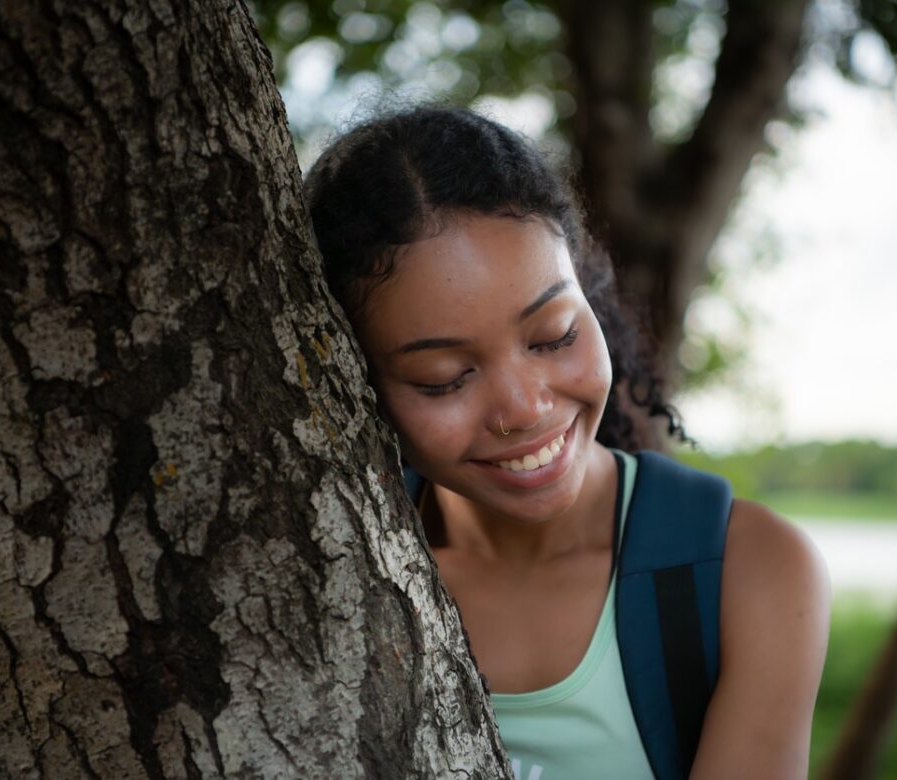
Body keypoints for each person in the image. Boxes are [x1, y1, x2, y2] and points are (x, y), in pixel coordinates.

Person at [304, 106, 830, 779]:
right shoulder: (334, 571)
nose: (524, 409)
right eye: (444, 379)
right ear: (358, 384)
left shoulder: (749, 572)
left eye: (553, 335)